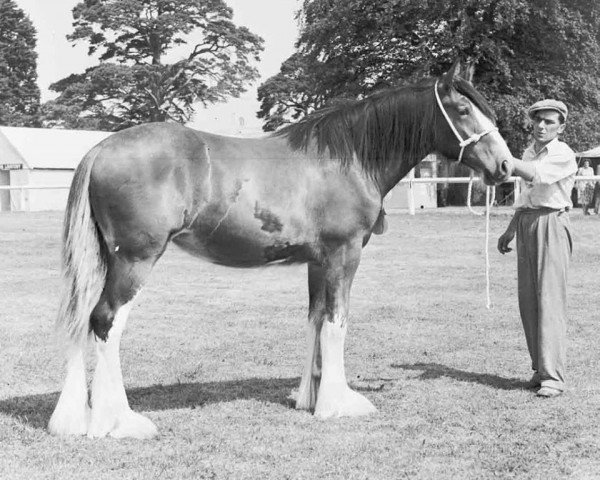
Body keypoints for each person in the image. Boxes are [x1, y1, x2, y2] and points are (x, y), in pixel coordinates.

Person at [497, 99, 577, 398]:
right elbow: (527, 193)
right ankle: (539, 368)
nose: (541, 126)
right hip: (528, 222)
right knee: (529, 300)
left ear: (561, 127)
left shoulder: (562, 153)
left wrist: (500, 157)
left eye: (549, 122)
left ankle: (554, 376)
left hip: (551, 223)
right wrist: (510, 229)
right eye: (538, 121)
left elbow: (536, 175)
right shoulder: (530, 151)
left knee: (550, 301)